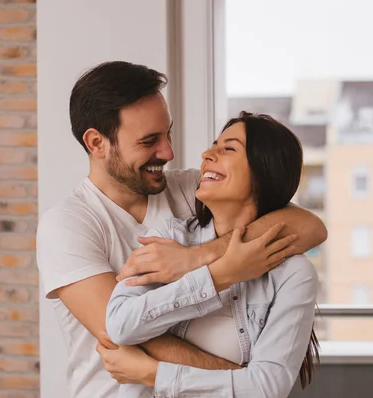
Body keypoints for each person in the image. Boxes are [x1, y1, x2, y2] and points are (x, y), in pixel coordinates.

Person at [36, 61, 327, 398]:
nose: (169, 152)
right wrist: (249, 385)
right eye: (149, 141)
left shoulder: (192, 191)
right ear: (97, 143)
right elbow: (129, 334)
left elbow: (309, 225)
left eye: (168, 133)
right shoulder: (67, 226)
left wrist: (200, 257)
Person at [100, 112, 319, 398]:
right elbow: (120, 325)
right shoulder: (171, 238)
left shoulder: (293, 274)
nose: (206, 154)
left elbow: (267, 388)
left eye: (228, 148)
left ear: (265, 170)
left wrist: (153, 373)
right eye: (214, 144)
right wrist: (218, 276)